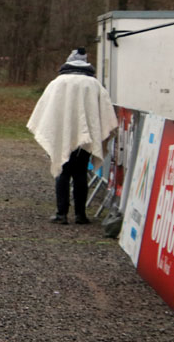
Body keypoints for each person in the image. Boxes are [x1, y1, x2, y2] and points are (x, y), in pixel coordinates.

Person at [26, 47, 117, 225]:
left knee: (62, 171)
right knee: (81, 173)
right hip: (86, 137)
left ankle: (61, 214)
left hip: (61, 134)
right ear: (86, 63)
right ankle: (80, 215)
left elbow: (47, 109)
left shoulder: (58, 83)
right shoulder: (94, 84)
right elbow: (104, 111)